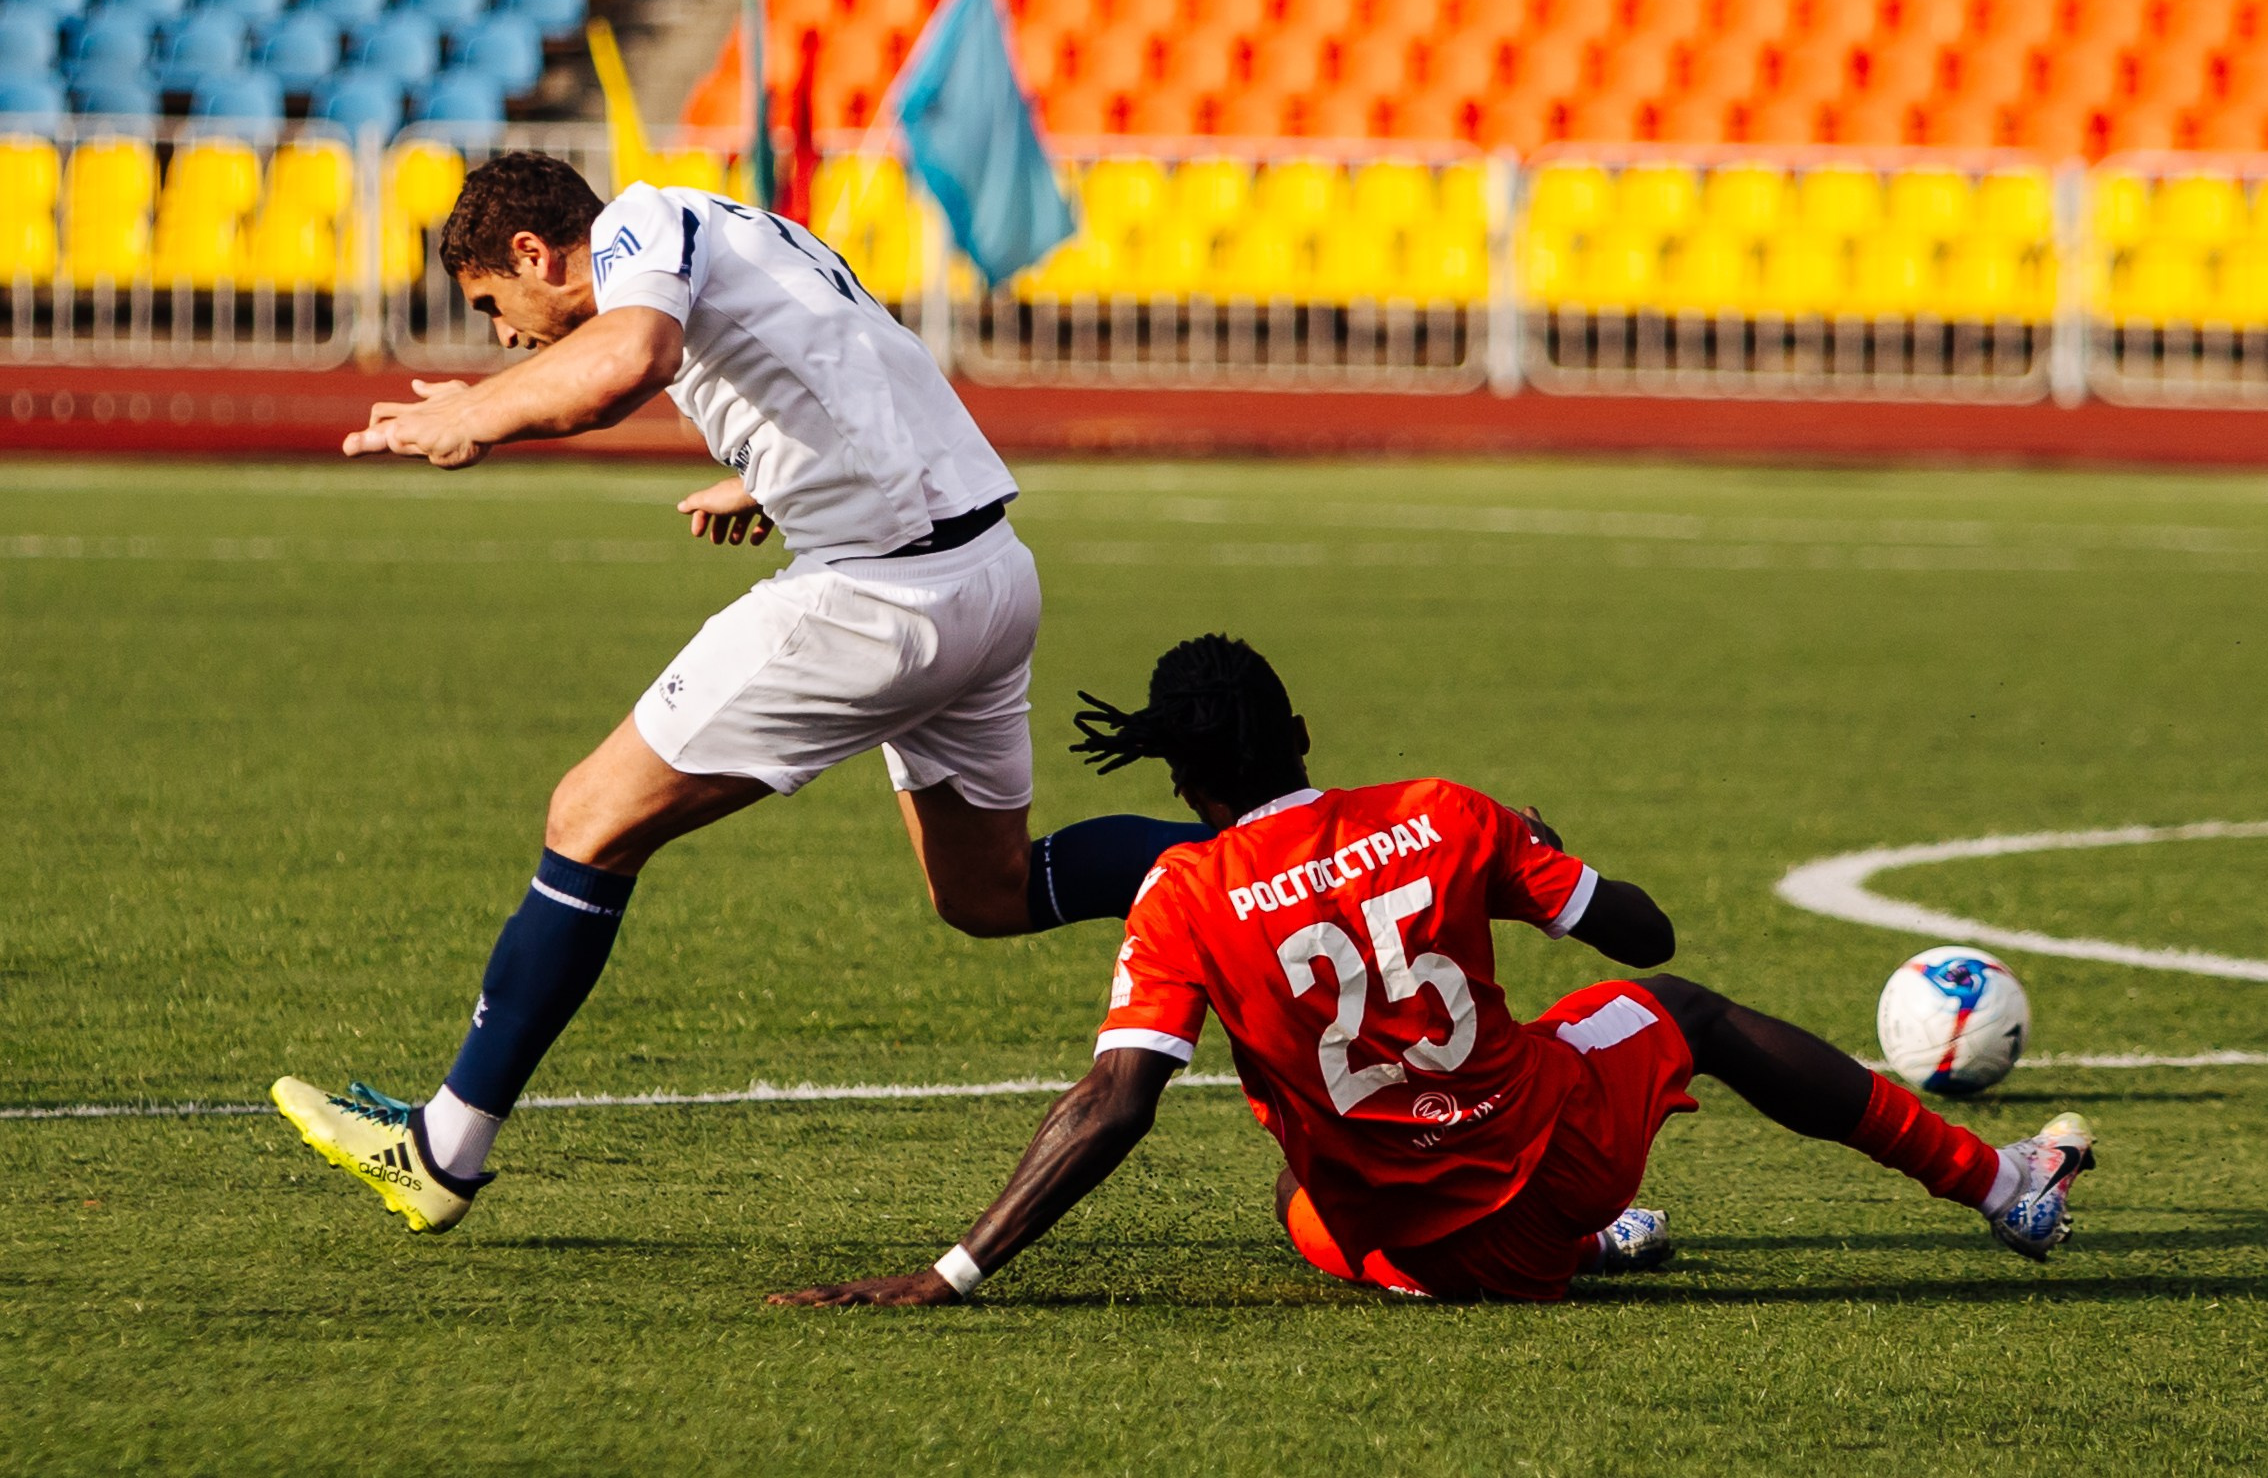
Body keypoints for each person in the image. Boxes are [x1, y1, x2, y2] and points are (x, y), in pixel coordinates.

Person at [271, 152, 1208, 1233]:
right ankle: (1276, 863)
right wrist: (772, 475)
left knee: (587, 819)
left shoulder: (639, 224)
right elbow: (854, 360)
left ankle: (441, 1150)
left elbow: (629, 358)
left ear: (534, 253)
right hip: (990, 576)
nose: (502, 334)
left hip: (882, 595)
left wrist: (479, 414)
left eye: (493, 304)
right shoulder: (727, 224)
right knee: (988, 891)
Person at [772, 635, 2095, 1307]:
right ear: (1300, 731)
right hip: (1553, 1163)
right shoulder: (1445, 812)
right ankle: (2002, 1188)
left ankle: (1505, 1251)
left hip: (1404, 1238)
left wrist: (949, 1271)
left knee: (1297, 1166)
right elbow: (1649, 940)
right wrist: (1549, 862)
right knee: (1680, 1015)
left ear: (1180, 778)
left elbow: (1114, 1102)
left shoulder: (1182, 891)